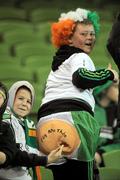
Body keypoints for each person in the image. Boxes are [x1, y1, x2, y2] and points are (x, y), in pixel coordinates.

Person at [37, 8, 119, 180]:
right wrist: (108, 74)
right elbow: (80, 77)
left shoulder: (58, 64)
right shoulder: (80, 57)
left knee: (63, 176)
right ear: (68, 38)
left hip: (46, 125)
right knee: (86, 174)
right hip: (73, 119)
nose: (90, 37)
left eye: (92, 33)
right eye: (84, 34)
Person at [0, 81, 63, 180]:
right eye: (20, 99)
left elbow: (30, 150)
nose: (24, 104)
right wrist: (46, 159)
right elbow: (16, 154)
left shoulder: (28, 124)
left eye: (29, 101)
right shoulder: (5, 120)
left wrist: (49, 156)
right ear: (10, 98)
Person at [93, 80, 120, 166]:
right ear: (104, 89)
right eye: (116, 87)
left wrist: (100, 153)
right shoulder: (88, 109)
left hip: (105, 162)